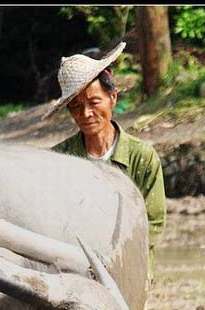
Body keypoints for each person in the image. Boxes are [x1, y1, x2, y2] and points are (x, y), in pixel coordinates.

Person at [44, 42, 166, 278]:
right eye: (77, 107)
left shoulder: (141, 157)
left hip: (130, 272)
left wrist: (114, 259)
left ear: (112, 97)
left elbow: (153, 223)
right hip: (75, 273)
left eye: (94, 102)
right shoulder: (57, 160)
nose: (86, 113)